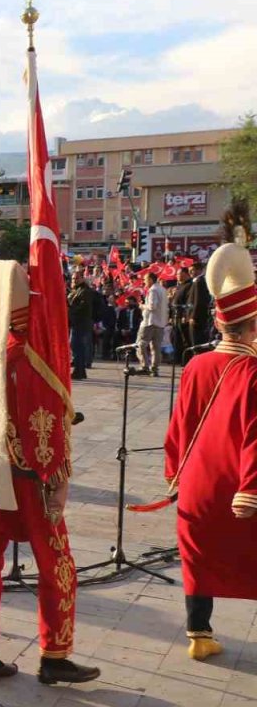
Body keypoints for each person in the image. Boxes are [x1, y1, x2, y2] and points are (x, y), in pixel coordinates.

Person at [0, 261, 99, 687]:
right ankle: (54, 654)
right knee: (56, 566)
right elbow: (41, 430)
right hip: (28, 480)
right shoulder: (29, 359)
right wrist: (56, 482)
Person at [163, 203, 257, 661]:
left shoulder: (197, 364)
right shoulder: (254, 372)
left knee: (196, 561)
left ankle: (199, 635)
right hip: (237, 487)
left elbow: (179, 425)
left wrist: (173, 473)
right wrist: (251, 489)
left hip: (196, 485)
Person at [66, 272, 98, 379]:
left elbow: (83, 306)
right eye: (73, 278)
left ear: (82, 279)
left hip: (82, 322)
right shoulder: (75, 290)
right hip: (76, 322)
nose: (74, 280)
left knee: (77, 346)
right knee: (75, 346)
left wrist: (70, 309)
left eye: (77, 278)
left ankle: (79, 371)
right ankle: (80, 371)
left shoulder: (85, 291)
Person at [136, 272, 169, 376]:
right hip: (160, 322)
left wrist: (142, 306)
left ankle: (144, 366)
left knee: (140, 344)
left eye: (145, 279)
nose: (144, 281)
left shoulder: (153, 290)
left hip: (149, 322)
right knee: (156, 347)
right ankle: (154, 369)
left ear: (150, 279)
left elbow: (152, 306)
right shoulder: (163, 290)